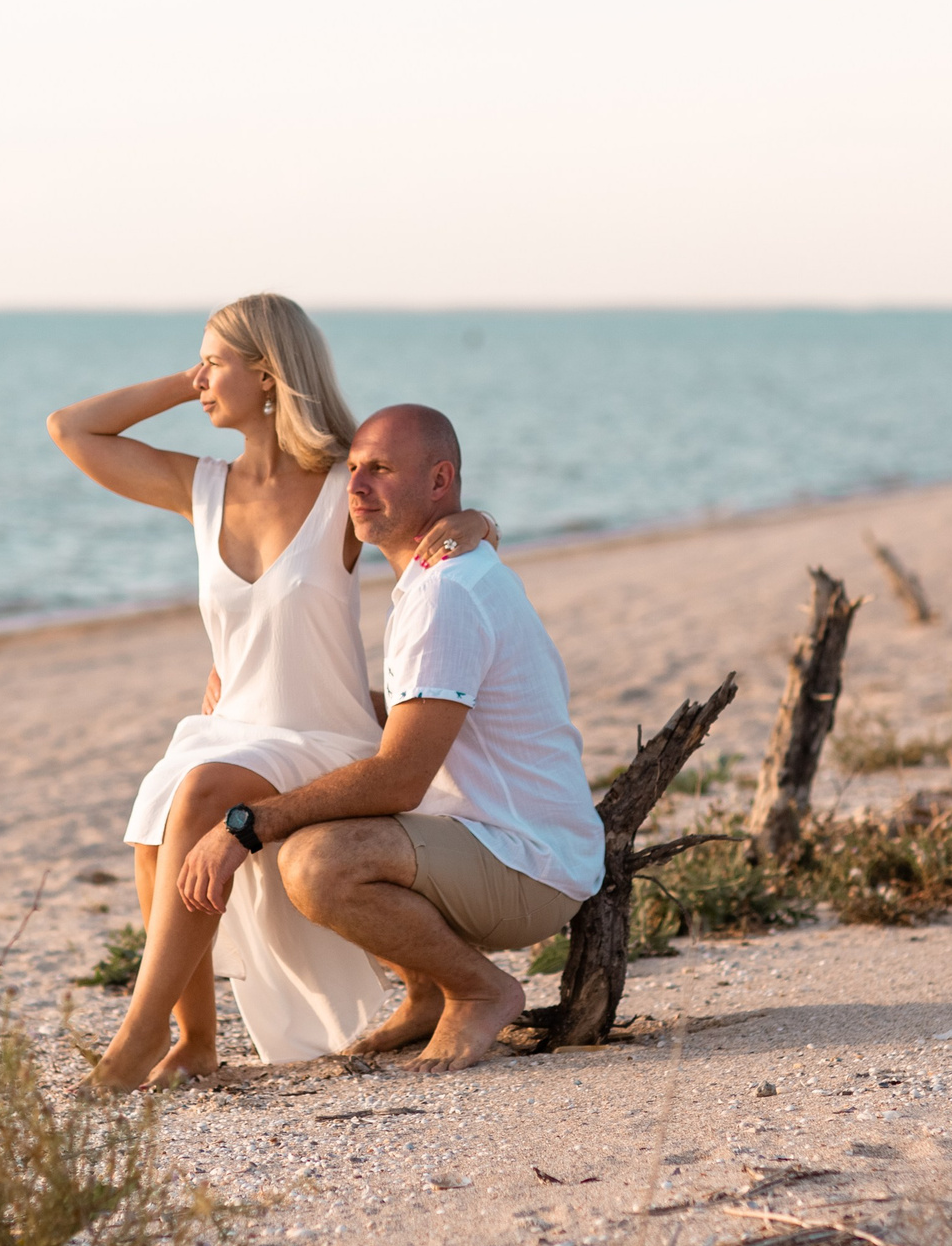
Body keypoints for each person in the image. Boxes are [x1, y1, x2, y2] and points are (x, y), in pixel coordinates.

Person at [46, 297, 497, 1088]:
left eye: (213, 360)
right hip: (235, 727)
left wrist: (477, 525)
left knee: (197, 790)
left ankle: (134, 1043)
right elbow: (71, 429)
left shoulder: (340, 490)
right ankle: (194, 1040)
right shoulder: (203, 487)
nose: (200, 376)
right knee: (160, 805)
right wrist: (192, 383)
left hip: (326, 736)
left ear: (266, 373)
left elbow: (444, 519)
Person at [167, 403, 602, 1072]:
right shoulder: (443, 576)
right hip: (502, 837)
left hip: (526, 860)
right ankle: (426, 993)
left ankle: (480, 989)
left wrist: (245, 824)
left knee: (317, 862)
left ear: (440, 481)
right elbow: (411, 713)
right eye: (354, 469)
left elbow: (400, 775)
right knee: (306, 811)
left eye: (381, 470)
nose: (358, 486)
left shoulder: (446, 593)